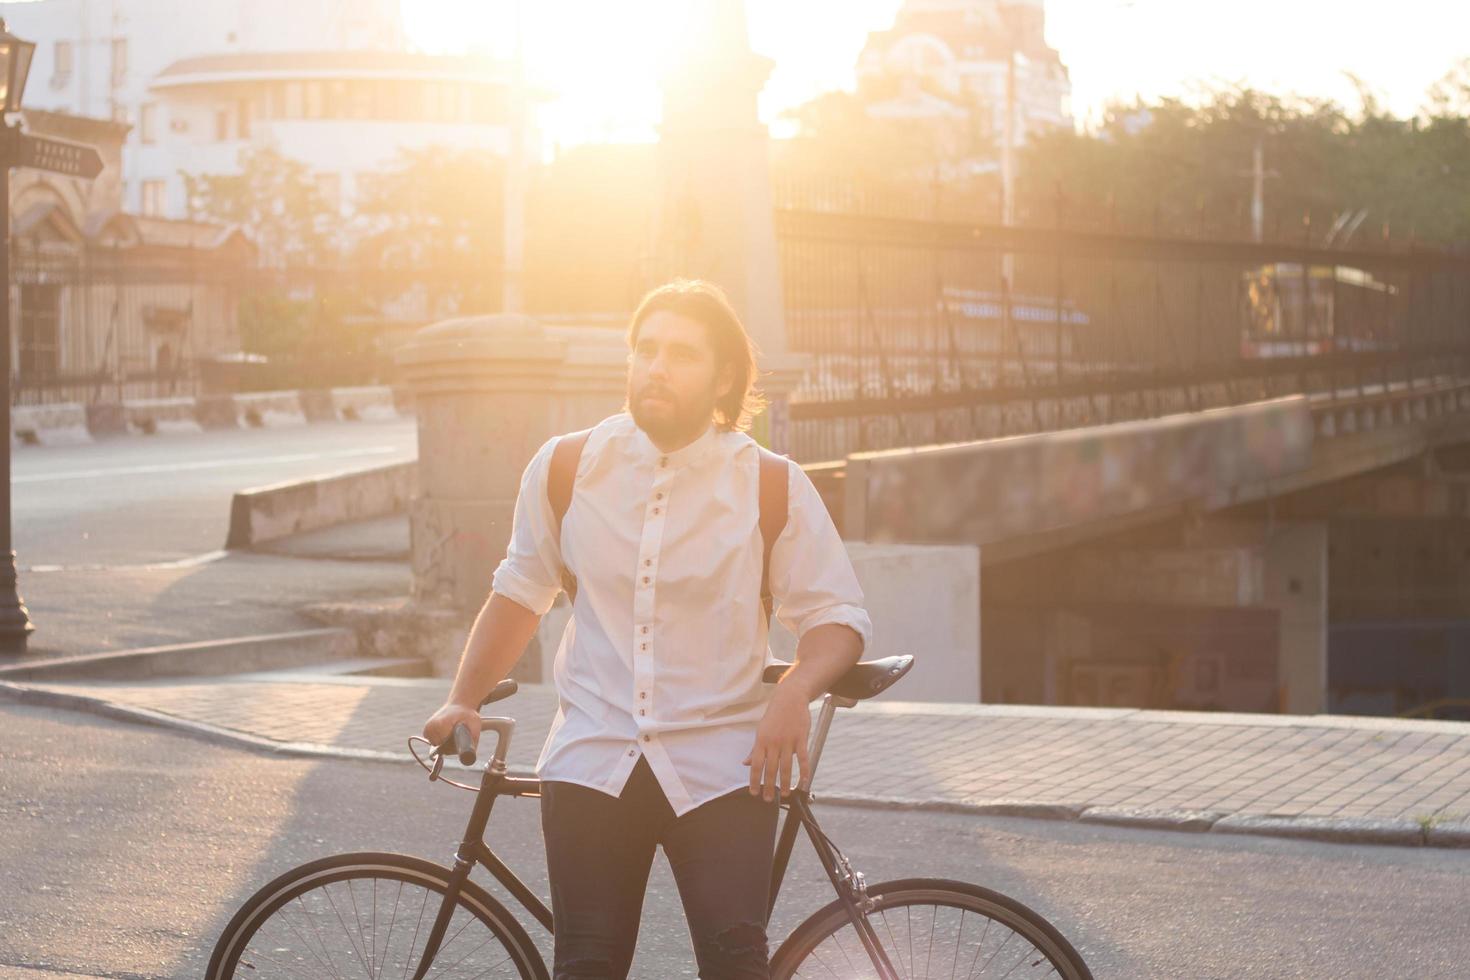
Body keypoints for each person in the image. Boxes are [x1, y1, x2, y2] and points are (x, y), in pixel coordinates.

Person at [422, 279, 871, 979]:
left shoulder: (770, 484)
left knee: (736, 969)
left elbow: (837, 618)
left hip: (725, 767)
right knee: (585, 967)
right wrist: (463, 697)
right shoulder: (568, 468)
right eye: (646, 348)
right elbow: (519, 591)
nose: (657, 366)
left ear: (724, 376)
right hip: (593, 757)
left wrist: (795, 691)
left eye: (682, 354)